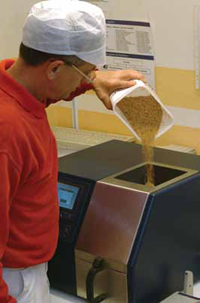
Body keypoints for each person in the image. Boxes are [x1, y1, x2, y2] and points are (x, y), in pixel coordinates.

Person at [0, 0, 145, 302]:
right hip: (14, 280)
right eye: (87, 73)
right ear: (53, 68)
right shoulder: (8, 132)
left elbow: (39, 92)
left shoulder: (14, 84)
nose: (90, 80)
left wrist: (92, 83)